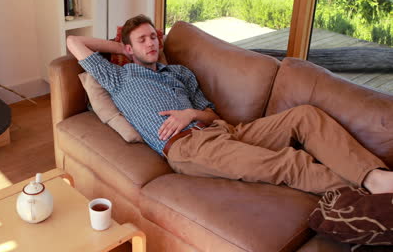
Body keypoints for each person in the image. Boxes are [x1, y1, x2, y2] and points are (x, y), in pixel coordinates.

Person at [66, 14, 393, 195]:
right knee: (285, 164)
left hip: (225, 131)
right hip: (189, 149)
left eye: (154, 36)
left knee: (305, 116)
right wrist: (121, 48)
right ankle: (368, 190)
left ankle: (375, 176)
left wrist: (191, 113)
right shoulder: (117, 78)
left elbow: (212, 115)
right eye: (143, 39)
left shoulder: (179, 73)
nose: (152, 42)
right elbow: (74, 41)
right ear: (128, 49)